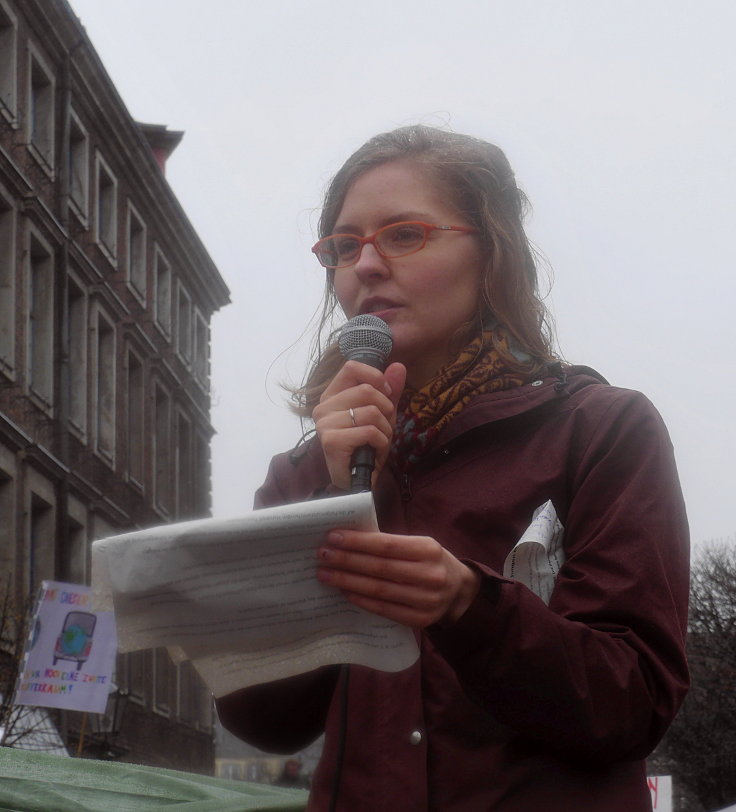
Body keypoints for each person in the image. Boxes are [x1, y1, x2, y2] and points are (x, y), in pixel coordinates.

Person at [216, 125, 689, 811]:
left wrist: (472, 609)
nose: (366, 266)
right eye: (345, 246)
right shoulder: (306, 470)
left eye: (404, 235)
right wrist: (332, 501)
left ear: (492, 251)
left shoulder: (600, 430)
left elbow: (633, 701)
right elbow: (264, 720)